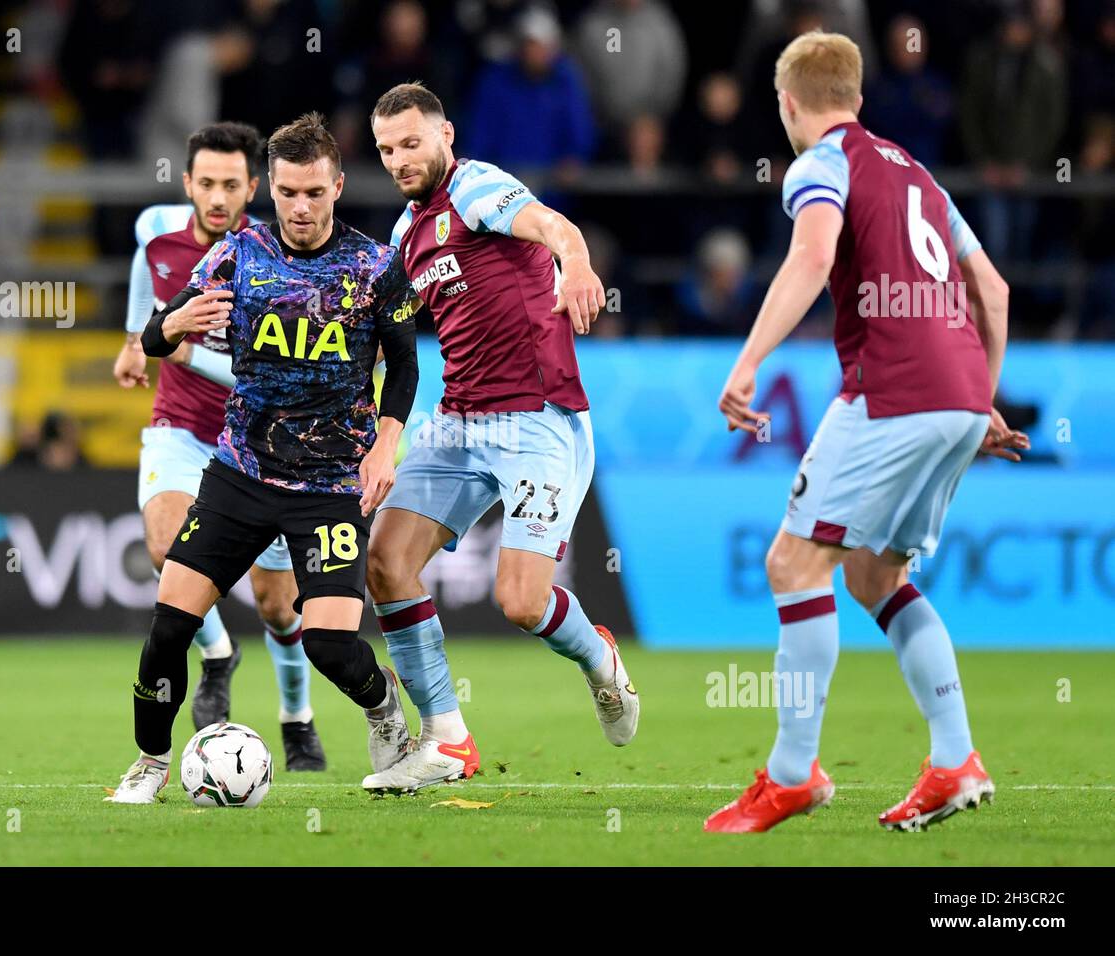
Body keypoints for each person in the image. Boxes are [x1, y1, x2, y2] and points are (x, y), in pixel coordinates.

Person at [705, 32, 1029, 834]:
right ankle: (955, 761)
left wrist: (748, 362)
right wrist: (978, 398)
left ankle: (792, 774)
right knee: (873, 576)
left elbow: (812, 259)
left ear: (787, 103)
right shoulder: (916, 172)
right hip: (953, 392)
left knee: (792, 560)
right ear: (857, 95)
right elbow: (992, 287)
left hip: (892, 389)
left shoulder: (820, 164)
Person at [107, 114, 420, 803]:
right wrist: (166, 326)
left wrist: (387, 444)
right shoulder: (235, 253)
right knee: (168, 628)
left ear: (337, 185)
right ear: (269, 190)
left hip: (332, 484)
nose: (301, 208)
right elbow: (158, 338)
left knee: (328, 646)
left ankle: (385, 713)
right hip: (240, 474)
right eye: (287, 193)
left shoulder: (374, 268)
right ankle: (151, 763)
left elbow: (403, 367)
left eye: (314, 192)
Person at [361, 82, 638, 794]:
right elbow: (387, 334)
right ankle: (448, 741)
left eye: (411, 143)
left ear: (446, 135)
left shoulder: (478, 188)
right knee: (387, 563)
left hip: (536, 417)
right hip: (458, 420)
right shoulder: (405, 235)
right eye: (387, 148)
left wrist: (575, 265)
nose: (399, 158)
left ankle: (599, 657)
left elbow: (555, 228)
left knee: (519, 601)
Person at [113, 122, 326, 771]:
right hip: (178, 430)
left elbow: (274, 375)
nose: (217, 196)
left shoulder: (273, 260)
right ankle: (217, 654)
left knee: (278, 604)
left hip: (253, 443)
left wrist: (184, 350)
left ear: (252, 188)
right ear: (186, 183)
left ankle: (298, 720)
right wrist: (134, 340)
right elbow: (145, 282)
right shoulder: (156, 230)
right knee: (165, 546)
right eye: (205, 182)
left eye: (231, 184)